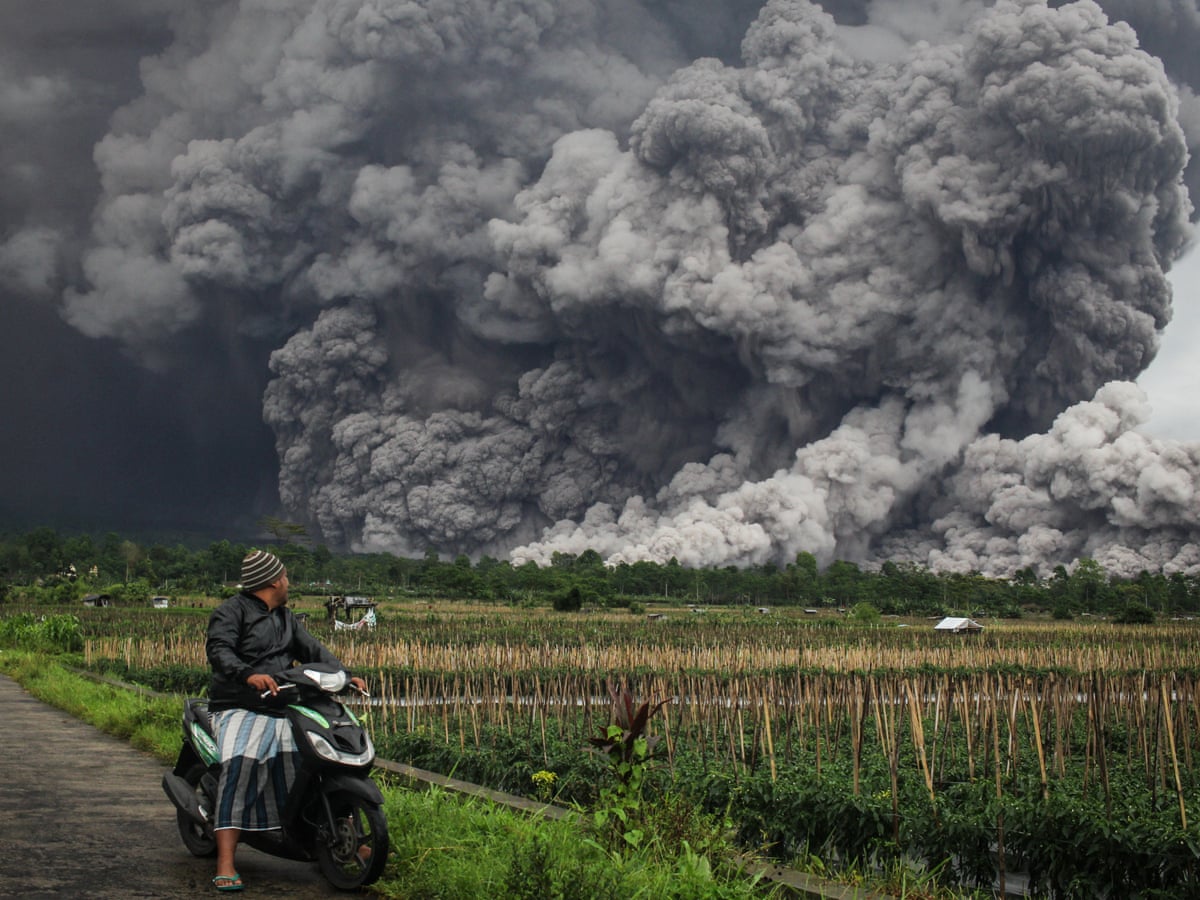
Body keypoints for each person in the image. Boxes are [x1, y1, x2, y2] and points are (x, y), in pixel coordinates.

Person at [205, 549, 366, 892]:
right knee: (241, 763)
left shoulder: (286, 618)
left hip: (283, 703)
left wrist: (345, 675)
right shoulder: (230, 613)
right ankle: (225, 860)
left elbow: (314, 651)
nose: (289, 582)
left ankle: (324, 835)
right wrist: (247, 675)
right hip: (238, 704)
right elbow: (220, 651)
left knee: (312, 761)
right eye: (286, 576)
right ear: (274, 581)